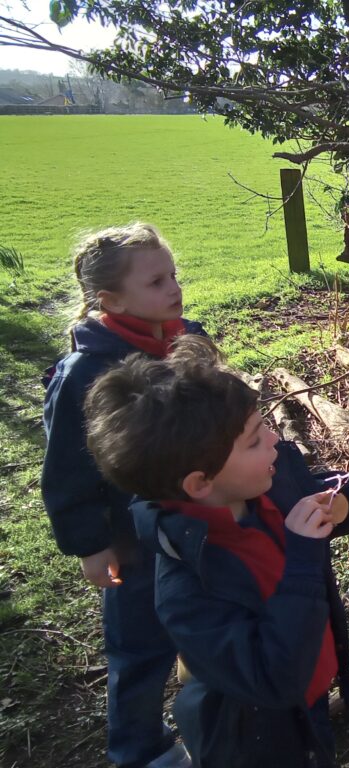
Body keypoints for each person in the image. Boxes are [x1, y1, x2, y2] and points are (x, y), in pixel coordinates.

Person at [83, 336, 349, 768]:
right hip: (255, 742)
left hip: (311, 705)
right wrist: (304, 558)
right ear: (201, 483)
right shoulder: (186, 590)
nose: (274, 438)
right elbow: (274, 677)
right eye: (253, 440)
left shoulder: (271, 490)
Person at [41, 223, 199, 768]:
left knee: (201, 620)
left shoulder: (184, 339)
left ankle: (210, 716)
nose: (174, 288)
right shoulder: (88, 370)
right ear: (109, 300)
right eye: (157, 281)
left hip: (193, 522)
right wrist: (91, 544)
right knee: (138, 645)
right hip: (131, 544)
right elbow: (67, 469)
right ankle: (138, 748)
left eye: (173, 274)